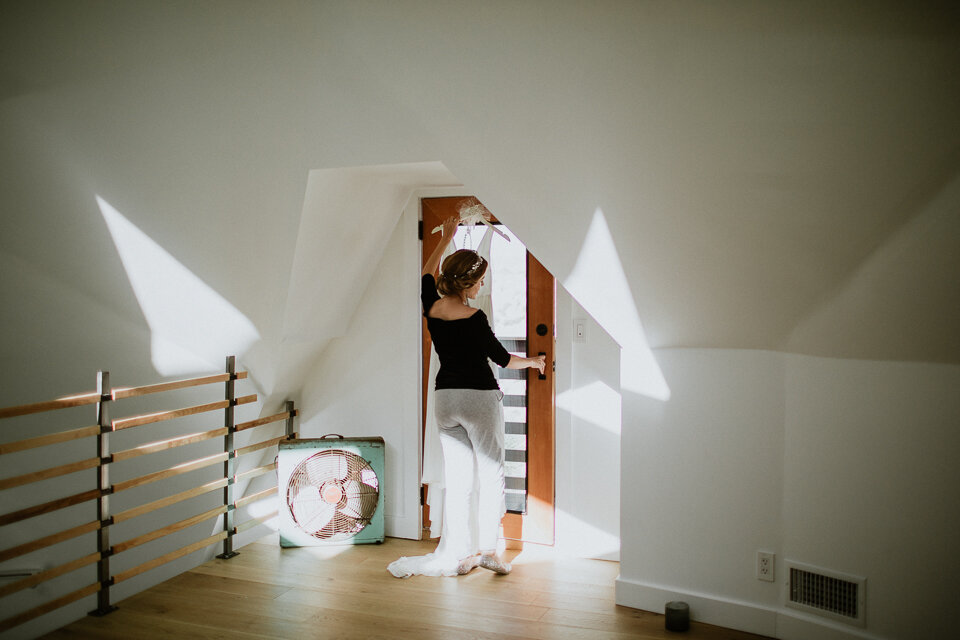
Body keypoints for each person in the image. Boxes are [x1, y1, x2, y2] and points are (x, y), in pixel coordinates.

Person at [418, 215, 545, 575]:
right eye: (479, 281)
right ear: (467, 283)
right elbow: (503, 360)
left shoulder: (431, 307)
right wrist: (535, 361)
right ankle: (489, 551)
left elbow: (427, 272)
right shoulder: (474, 317)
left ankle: (459, 552)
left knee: (458, 481)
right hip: (477, 399)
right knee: (491, 476)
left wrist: (446, 236)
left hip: (445, 400)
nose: (482, 285)